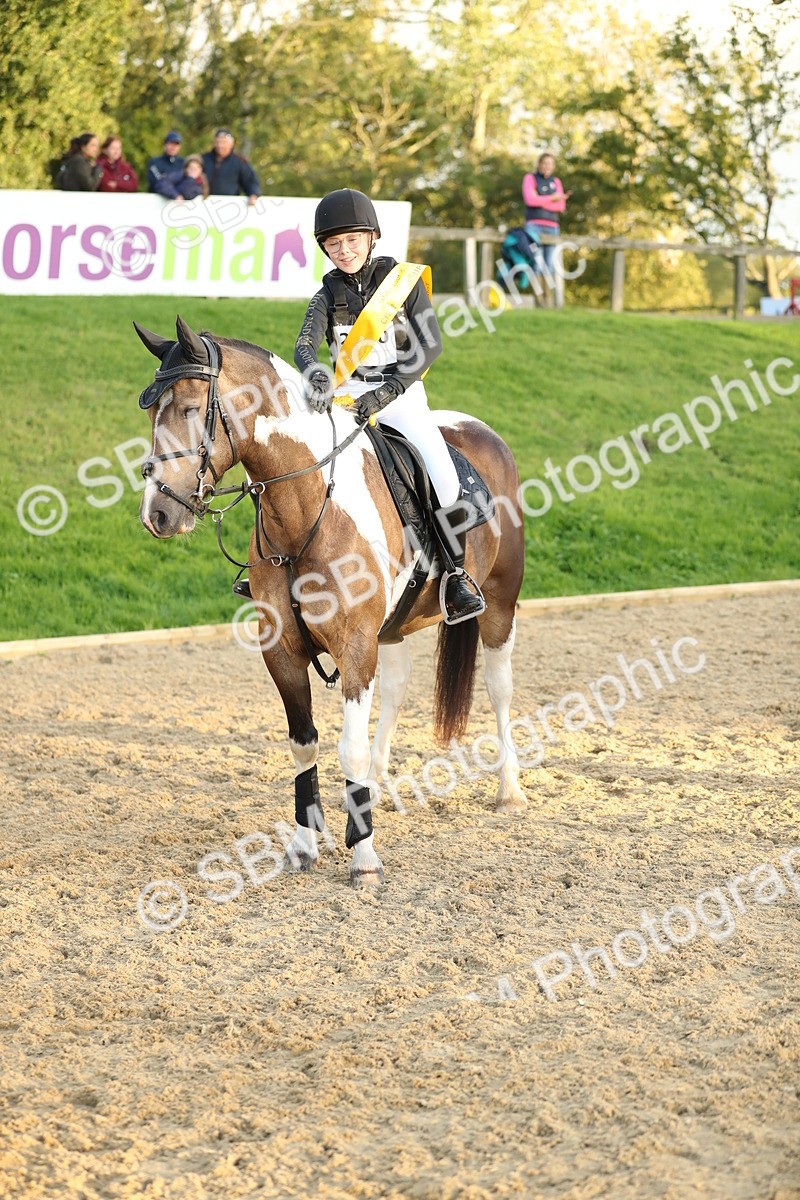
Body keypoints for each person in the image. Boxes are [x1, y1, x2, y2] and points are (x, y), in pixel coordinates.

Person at [294, 188, 485, 624]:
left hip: (401, 395)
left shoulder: (403, 283)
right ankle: (275, 567)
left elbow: (429, 345)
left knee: (440, 470)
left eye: (351, 241)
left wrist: (386, 393)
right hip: (346, 398)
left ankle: (456, 576)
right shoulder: (325, 297)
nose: (343, 251)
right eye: (333, 244)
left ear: (372, 236)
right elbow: (305, 345)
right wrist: (316, 372)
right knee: (294, 459)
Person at [522, 153, 571, 277]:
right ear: (539, 164)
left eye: (550, 164)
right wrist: (552, 198)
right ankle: (536, 295)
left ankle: (545, 295)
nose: (547, 166)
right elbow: (530, 200)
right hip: (534, 225)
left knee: (549, 265)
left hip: (552, 226)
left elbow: (560, 206)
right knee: (536, 264)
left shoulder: (556, 181)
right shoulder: (530, 178)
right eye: (545, 163)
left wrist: (539, 199)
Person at [201, 129, 259, 203]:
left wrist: (253, 194)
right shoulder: (203, 159)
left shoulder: (240, 162)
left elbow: (251, 181)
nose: (220, 145)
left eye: (223, 142)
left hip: (229, 205)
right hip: (203, 204)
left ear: (231, 143)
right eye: (217, 142)